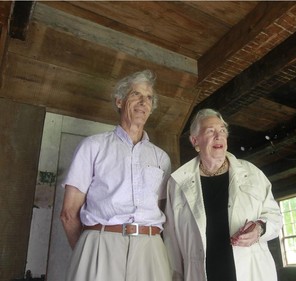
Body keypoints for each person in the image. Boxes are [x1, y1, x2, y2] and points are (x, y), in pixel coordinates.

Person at [60, 70, 172, 281]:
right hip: (101, 242)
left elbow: (166, 211)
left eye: (148, 97)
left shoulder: (162, 158)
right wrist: (87, 251)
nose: (143, 102)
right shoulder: (93, 146)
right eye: (135, 94)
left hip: (151, 248)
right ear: (120, 101)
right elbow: (68, 214)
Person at [163, 108, 283, 281]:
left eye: (222, 131)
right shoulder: (177, 184)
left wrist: (259, 228)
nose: (218, 136)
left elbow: (275, 217)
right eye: (210, 131)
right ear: (195, 140)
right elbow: (171, 239)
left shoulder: (252, 173)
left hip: (250, 272)